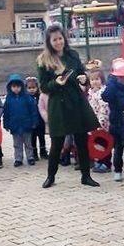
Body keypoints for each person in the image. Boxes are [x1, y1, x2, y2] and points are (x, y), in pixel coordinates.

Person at [37, 23, 100, 188]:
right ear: (49, 42)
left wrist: (84, 79)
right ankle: (50, 176)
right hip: (58, 104)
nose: (58, 42)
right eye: (54, 40)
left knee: (81, 140)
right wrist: (56, 83)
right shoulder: (44, 60)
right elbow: (43, 86)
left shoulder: (72, 55)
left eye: (60, 38)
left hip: (76, 101)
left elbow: (81, 73)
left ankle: (86, 176)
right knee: (57, 143)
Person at [3, 73, 39, 167]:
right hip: (15, 126)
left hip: (27, 124)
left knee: (28, 143)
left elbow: (33, 111)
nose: (16, 88)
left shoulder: (27, 98)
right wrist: (6, 124)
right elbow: (6, 113)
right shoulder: (8, 99)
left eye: (18, 86)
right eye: (14, 86)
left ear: (22, 87)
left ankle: (30, 157)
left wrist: (34, 121)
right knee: (17, 144)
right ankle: (18, 159)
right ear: (10, 87)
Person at [87, 68, 111, 173]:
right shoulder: (90, 93)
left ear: (102, 80)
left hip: (102, 123)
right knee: (95, 144)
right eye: (92, 80)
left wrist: (101, 122)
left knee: (104, 144)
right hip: (92, 122)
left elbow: (104, 108)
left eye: (97, 79)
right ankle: (99, 161)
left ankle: (106, 163)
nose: (94, 82)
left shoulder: (103, 92)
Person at [26, 76, 48, 161]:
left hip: (40, 121)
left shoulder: (40, 97)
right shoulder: (26, 98)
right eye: (29, 88)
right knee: (33, 139)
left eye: (33, 87)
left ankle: (43, 152)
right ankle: (34, 153)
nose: (32, 90)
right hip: (31, 122)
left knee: (42, 138)